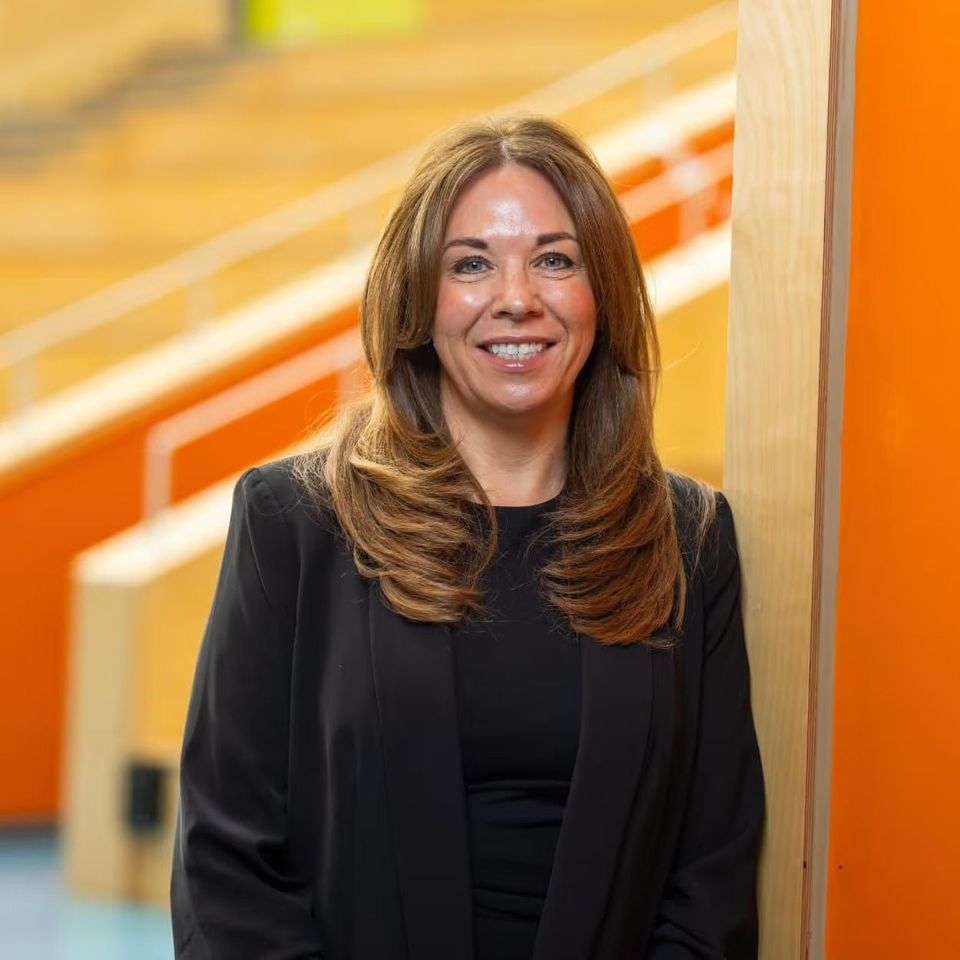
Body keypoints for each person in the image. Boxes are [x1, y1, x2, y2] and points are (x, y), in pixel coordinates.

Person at [170, 113, 765, 960]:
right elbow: (225, 865)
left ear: (604, 296)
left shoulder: (688, 542)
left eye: (556, 260)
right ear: (419, 300)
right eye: (471, 264)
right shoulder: (293, 521)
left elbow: (712, 876)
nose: (516, 296)